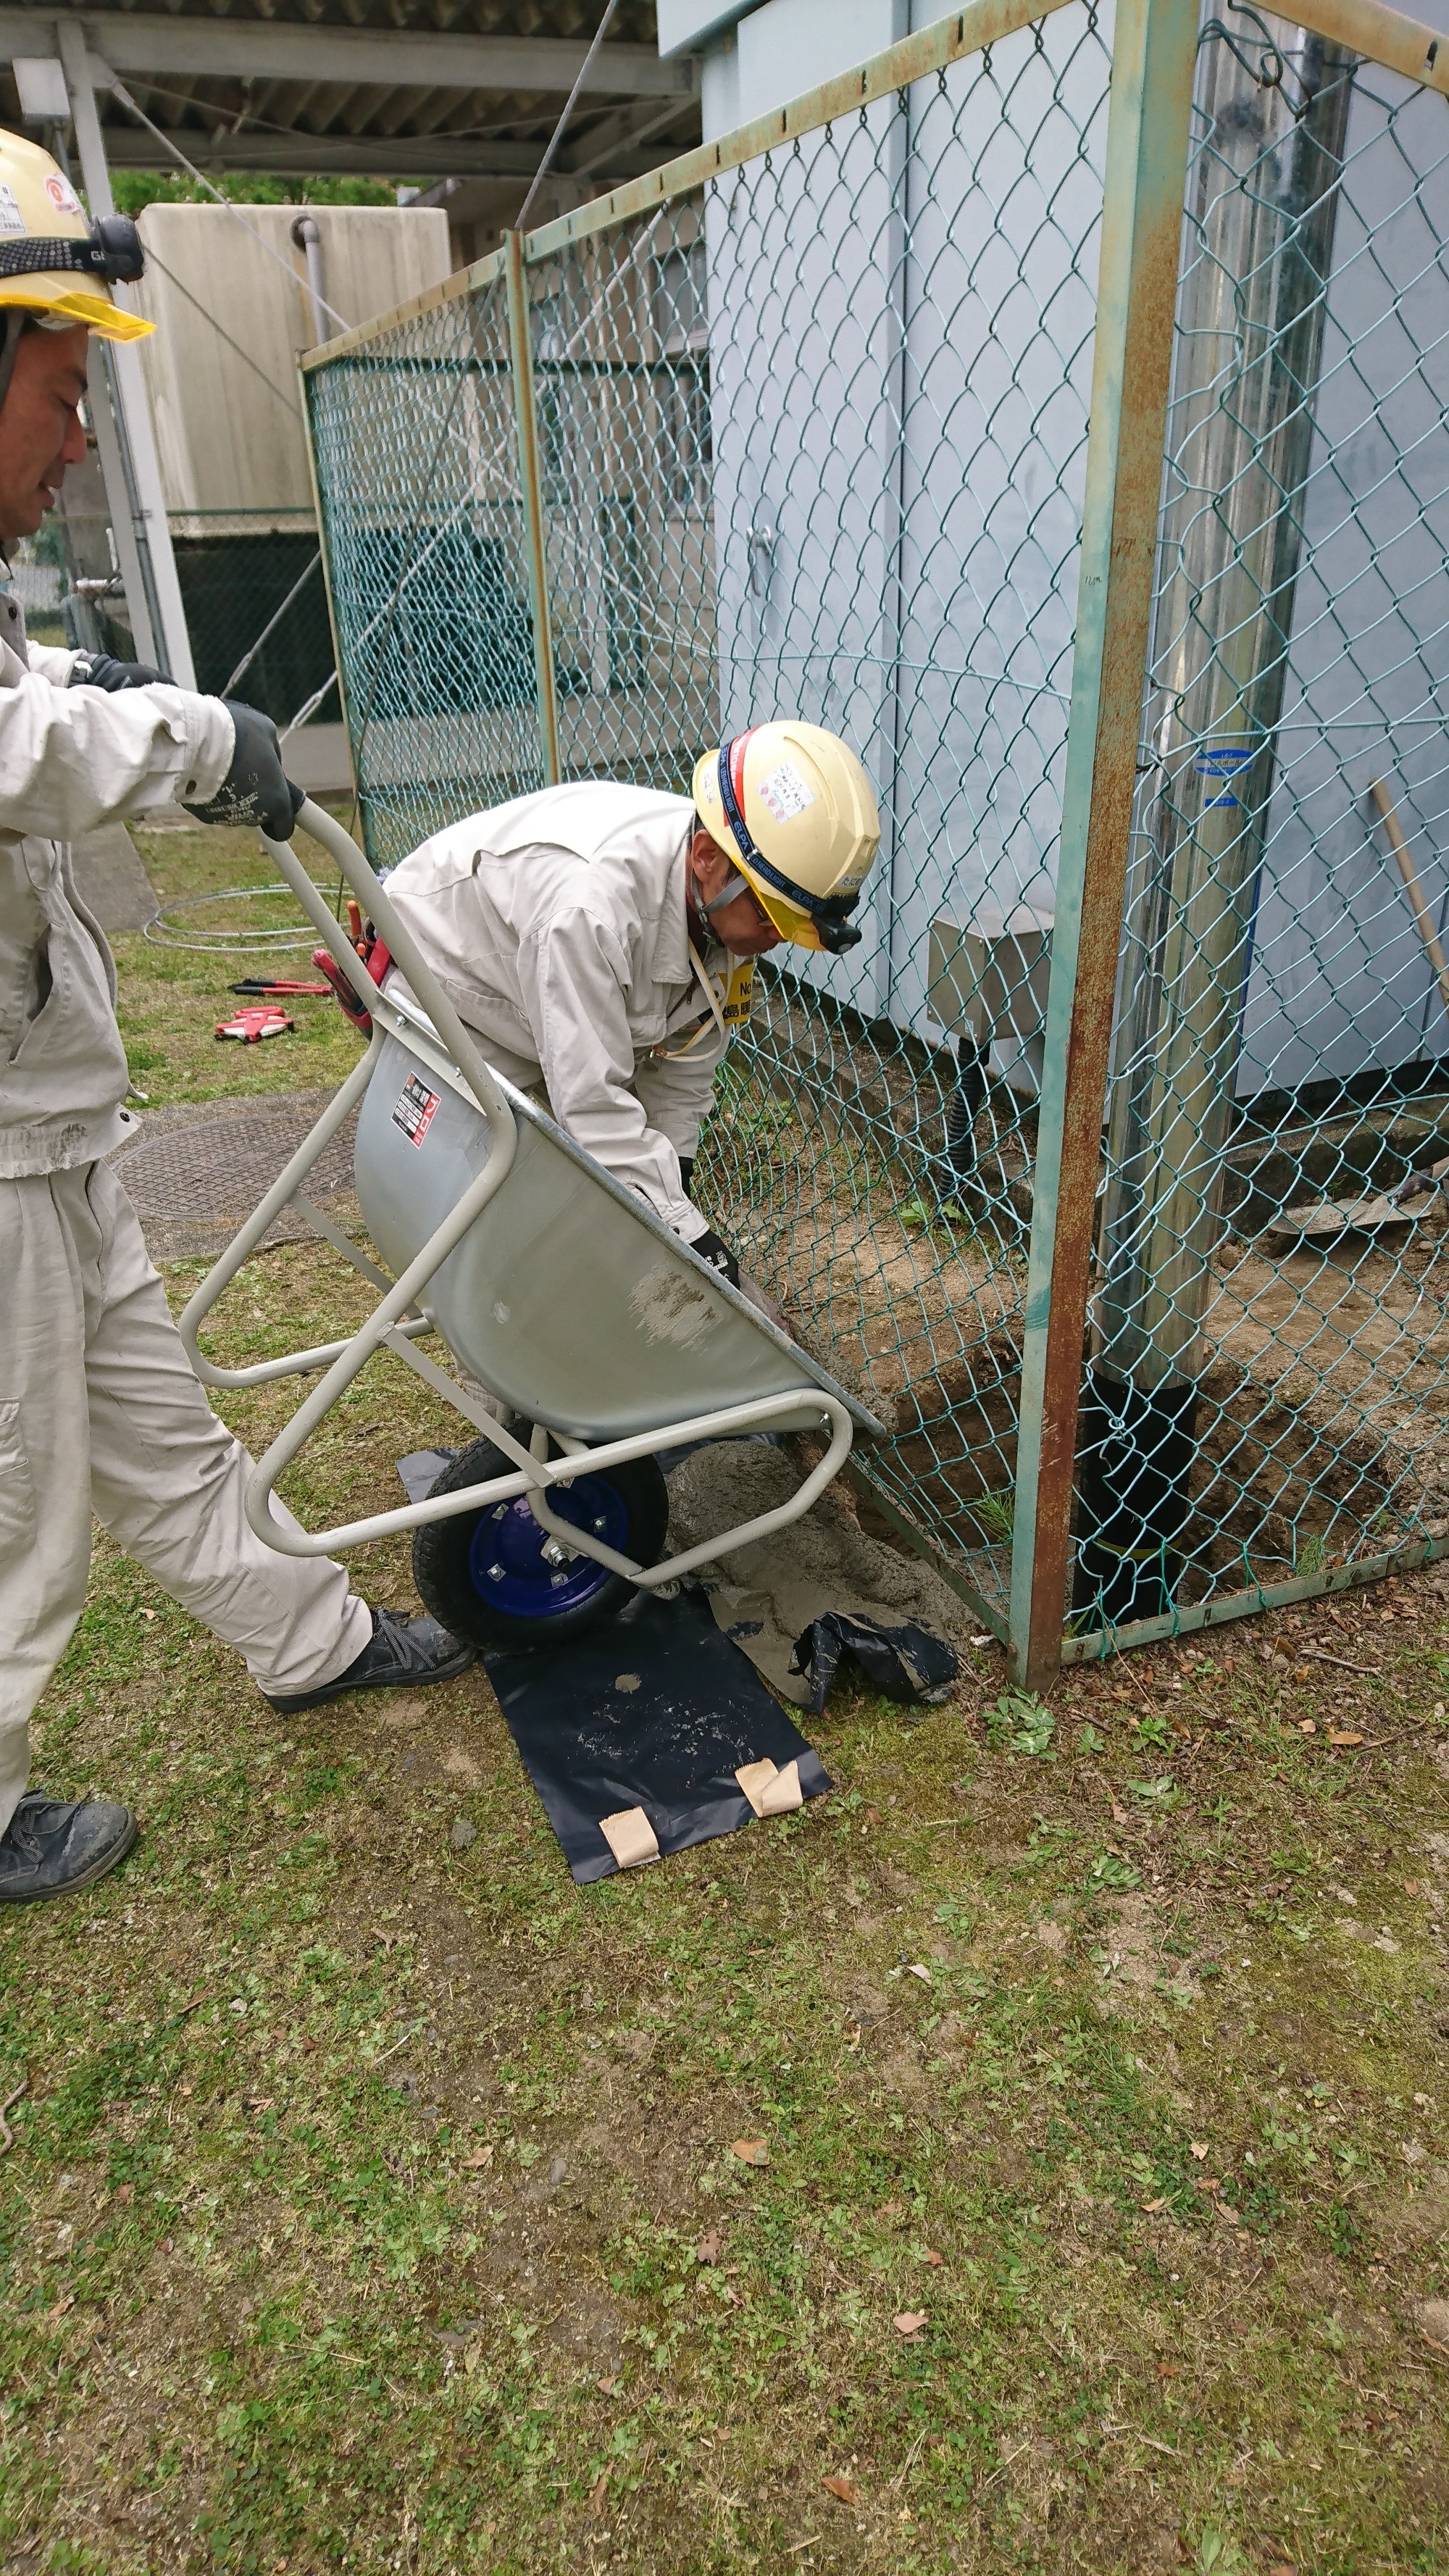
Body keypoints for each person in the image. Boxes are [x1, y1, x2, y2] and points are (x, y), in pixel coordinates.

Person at [0, 130, 472, 1908]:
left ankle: (307, 1636)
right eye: (56, 391)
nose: (76, 441)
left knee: (163, 1426)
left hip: (45, 1126)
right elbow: (23, 755)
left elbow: (26, 699)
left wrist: (90, 671)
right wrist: (196, 737)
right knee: (22, 1508)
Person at [371, 723, 881, 1279]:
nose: (776, 939)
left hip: (536, 996)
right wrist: (690, 1237)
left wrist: (674, 1193)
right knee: (495, 1229)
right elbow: (591, 1104)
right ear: (708, 857)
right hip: (444, 988)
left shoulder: (724, 898)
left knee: (597, 1218)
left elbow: (688, 1058)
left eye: (794, 926)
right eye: (772, 917)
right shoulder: (590, 913)